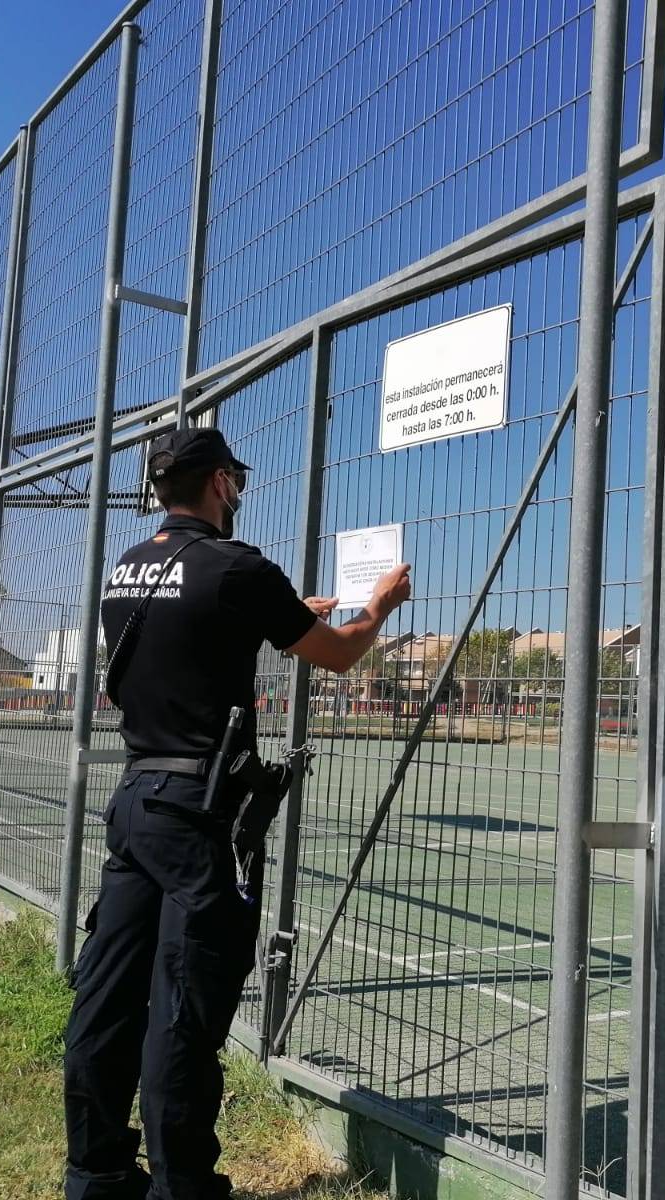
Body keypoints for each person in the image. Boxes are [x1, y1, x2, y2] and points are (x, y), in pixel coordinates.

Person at [63, 427, 410, 1200]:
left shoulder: (128, 569)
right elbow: (340, 652)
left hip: (136, 798)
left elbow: (179, 643)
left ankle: (94, 1174)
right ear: (221, 483)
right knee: (185, 1011)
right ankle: (182, 1186)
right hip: (197, 814)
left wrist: (283, 612)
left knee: (107, 994)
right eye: (236, 481)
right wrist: (378, 607)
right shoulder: (237, 566)